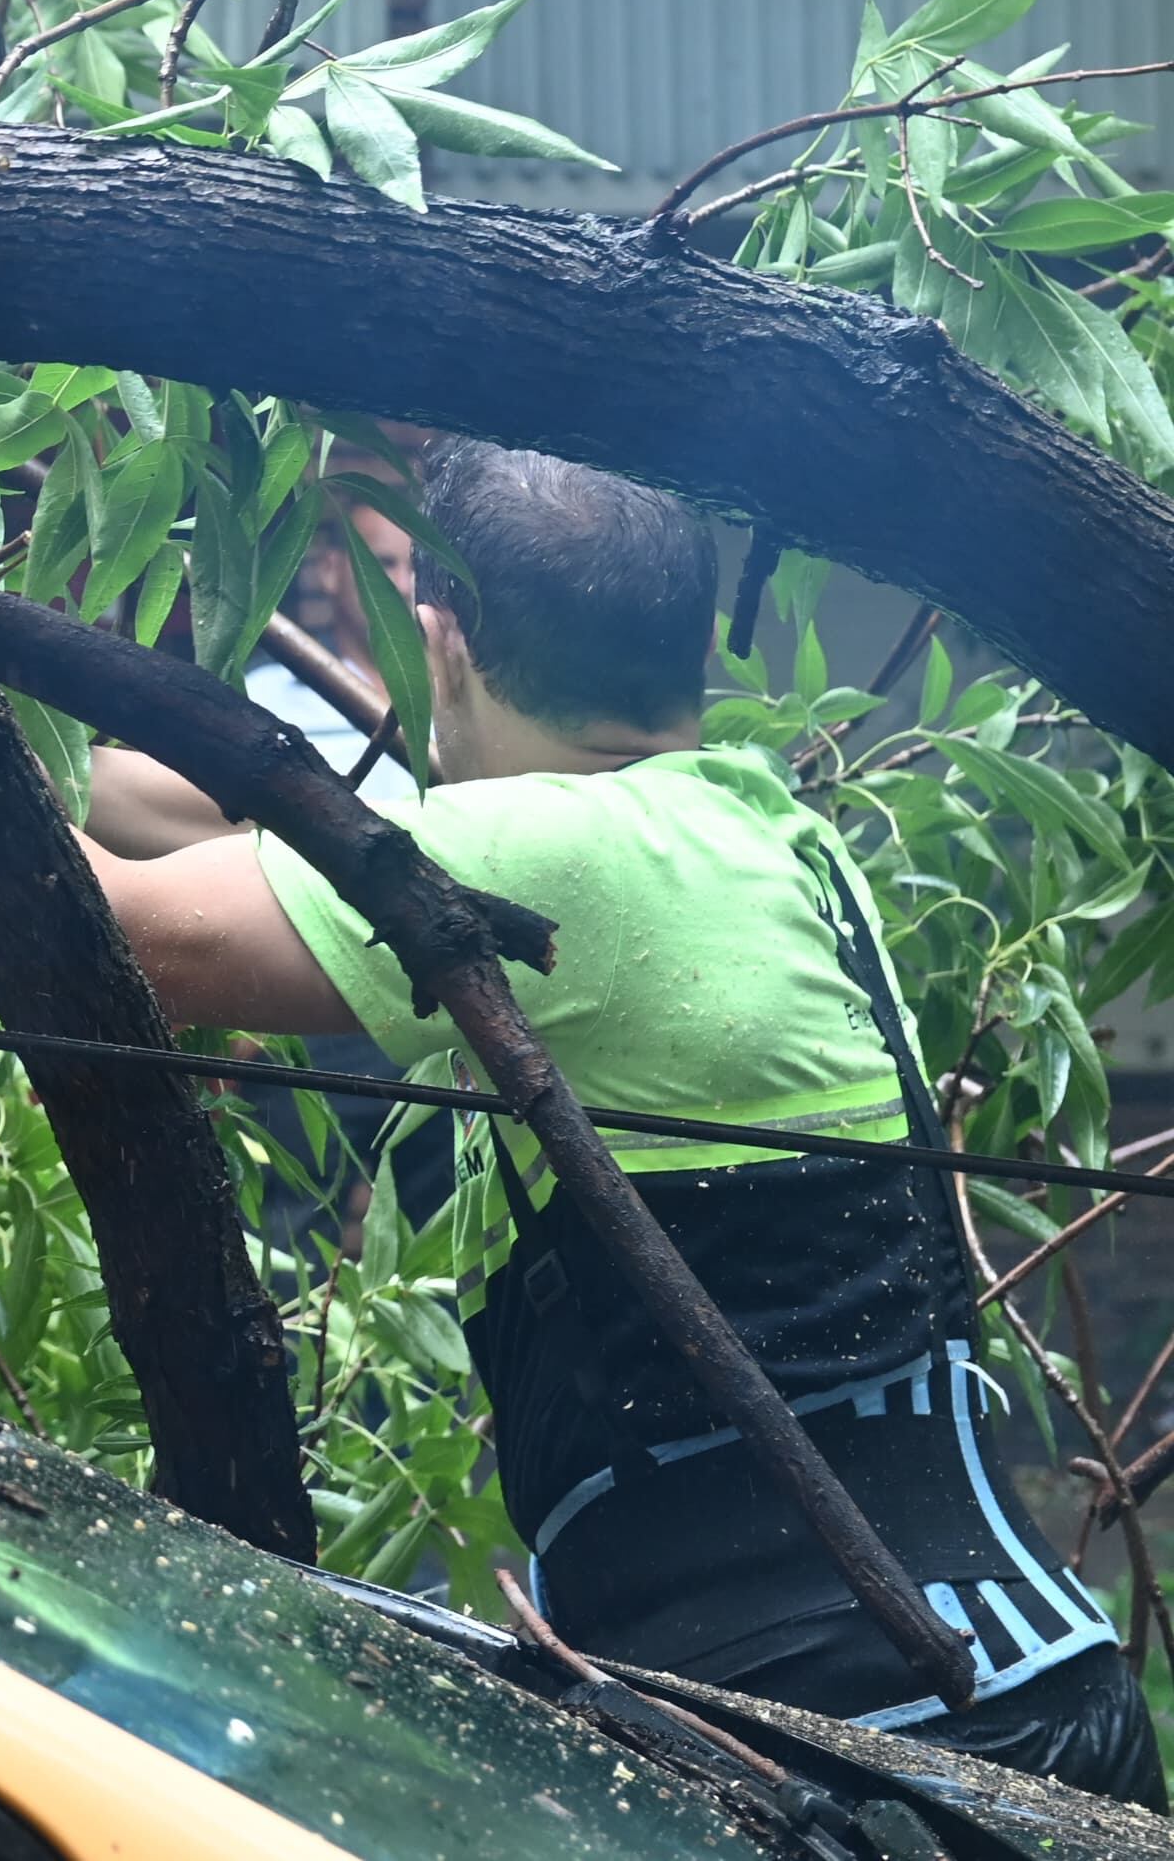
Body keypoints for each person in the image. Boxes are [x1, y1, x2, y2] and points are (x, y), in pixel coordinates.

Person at [83, 439, 1164, 1806]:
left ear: (438, 638)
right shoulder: (745, 826)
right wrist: (34, 736)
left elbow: (147, 935)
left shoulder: (563, 855)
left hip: (864, 1753)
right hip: (1005, 1703)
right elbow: (243, 820)